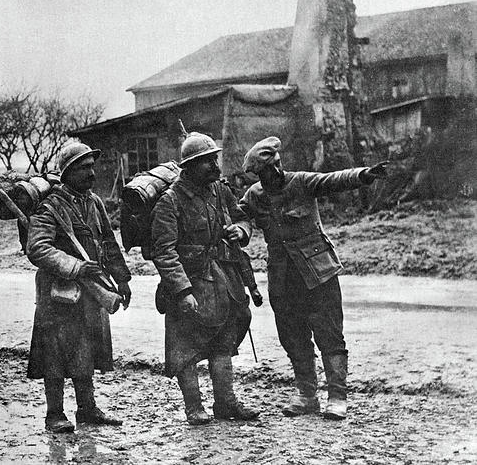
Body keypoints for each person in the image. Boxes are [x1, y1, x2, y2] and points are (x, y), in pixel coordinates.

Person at [238, 136, 388, 421]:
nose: (278, 171)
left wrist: (363, 175)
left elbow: (333, 180)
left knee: (330, 333)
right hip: (283, 278)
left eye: (279, 164)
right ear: (259, 173)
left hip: (319, 273)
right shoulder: (255, 196)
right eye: (271, 169)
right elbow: (239, 216)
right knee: (293, 337)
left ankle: (337, 396)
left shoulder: (302, 182)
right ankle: (307, 396)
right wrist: (242, 231)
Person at [150, 132, 260, 426]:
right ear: (189, 166)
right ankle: (194, 408)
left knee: (223, 342)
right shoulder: (170, 202)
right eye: (207, 161)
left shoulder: (219, 191)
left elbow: (242, 216)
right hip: (189, 282)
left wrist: (241, 230)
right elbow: (164, 252)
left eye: (215, 159)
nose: (215, 166)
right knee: (185, 348)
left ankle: (226, 404)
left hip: (221, 278)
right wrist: (183, 290)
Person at [25, 142, 132, 433]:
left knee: (86, 347)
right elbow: (37, 247)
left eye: (92, 166)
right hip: (58, 291)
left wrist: (122, 278)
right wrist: (74, 267)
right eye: (84, 168)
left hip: (91, 288)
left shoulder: (94, 202)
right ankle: (54, 414)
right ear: (68, 171)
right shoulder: (50, 206)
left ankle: (87, 409)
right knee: (55, 353)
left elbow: (108, 243)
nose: (92, 173)